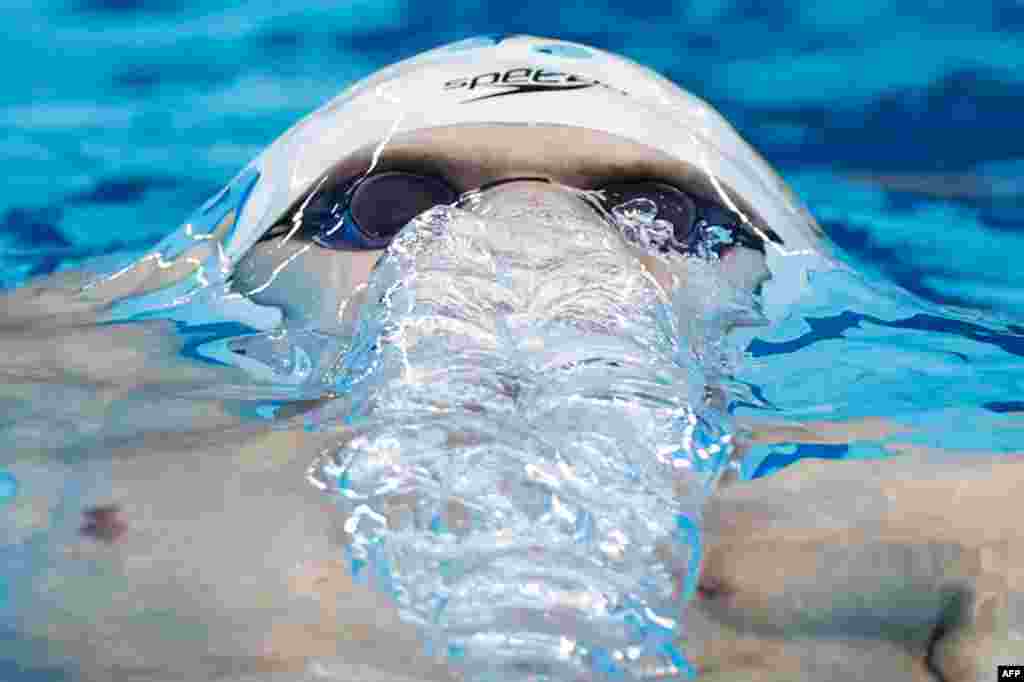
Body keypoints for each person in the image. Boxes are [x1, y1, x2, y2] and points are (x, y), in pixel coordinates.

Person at [1, 35, 1018, 681]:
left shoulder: (960, 515)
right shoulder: (45, 417)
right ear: (235, 282)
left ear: (777, 290)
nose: (519, 255)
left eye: (656, 216)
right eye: (386, 208)